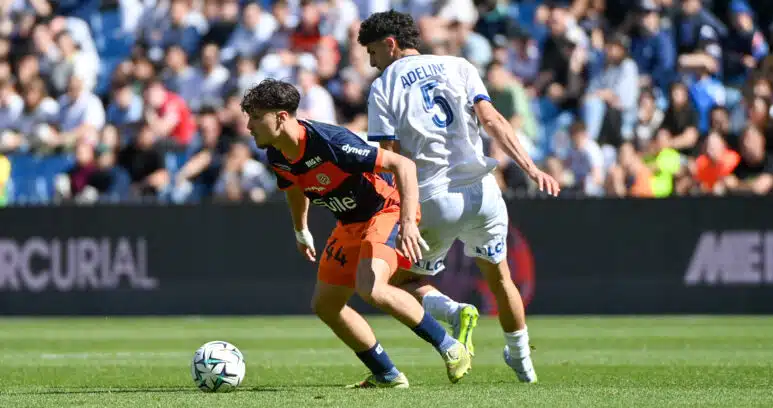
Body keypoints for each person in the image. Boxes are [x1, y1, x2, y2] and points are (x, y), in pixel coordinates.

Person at [358, 10, 560, 383]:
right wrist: (532, 169)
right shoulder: (459, 66)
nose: (371, 62)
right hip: (484, 192)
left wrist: (400, 214)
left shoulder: (384, 85)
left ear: (390, 44)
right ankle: (523, 363)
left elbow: (389, 156)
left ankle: (453, 313)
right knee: (501, 279)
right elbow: (494, 121)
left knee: (401, 283)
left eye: (372, 52)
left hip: (434, 197)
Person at [240, 79, 471, 388]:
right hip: (349, 222)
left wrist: (408, 222)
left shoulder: (331, 143)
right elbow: (294, 188)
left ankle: (451, 347)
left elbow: (403, 166)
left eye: (256, 117)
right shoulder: (277, 154)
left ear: (281, 117)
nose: (248, 126)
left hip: (385, 209)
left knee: (371, 287)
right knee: (325, 305)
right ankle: (387, 375)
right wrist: (301, 229)